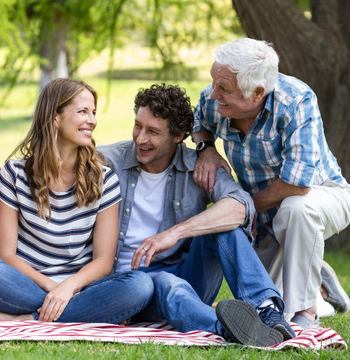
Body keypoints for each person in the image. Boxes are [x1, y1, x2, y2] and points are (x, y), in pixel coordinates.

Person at [98, 83, 294, 347]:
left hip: (186, 275)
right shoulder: (109, 160)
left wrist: (173, 233)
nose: (140, 138)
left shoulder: (199, 167)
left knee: (225, 227)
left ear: (178, 136)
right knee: (167, 283)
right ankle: (230, 329)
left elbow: (240, 206)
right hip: (126, 285)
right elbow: (53, 162)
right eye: (138, 126)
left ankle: (266, 311)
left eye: (153, 132)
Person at [192, 38, 350, 329]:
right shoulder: (215, 97)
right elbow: (199, 123)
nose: (213, 94)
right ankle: (324, 287)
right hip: (264, 214)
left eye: (224, 89)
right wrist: (206, 149)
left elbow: (298, 185)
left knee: (296, 209)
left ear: (257, 92)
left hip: (323, 195)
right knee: (266, 305)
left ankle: (307, 314)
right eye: (214, 83)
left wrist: (240, 208)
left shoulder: (295, 100)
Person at [0, 78, 153, 324]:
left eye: (93, 112)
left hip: (80, 285)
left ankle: (21, 319)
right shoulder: (14, 174)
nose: (92, 120)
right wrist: (54, 289)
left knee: (140, 285)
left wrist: (69, 287)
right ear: (55, 118)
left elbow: (104, 261)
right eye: (83, 111)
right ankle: (80, 312)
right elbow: (5, 255)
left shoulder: (105, 179)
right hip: (25, 284)